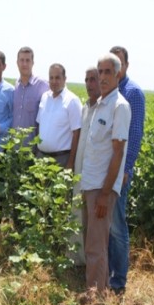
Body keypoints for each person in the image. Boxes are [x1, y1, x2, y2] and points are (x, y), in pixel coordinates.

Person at [80, 53, 131, 296]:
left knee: (96, 247)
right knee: (91, 243)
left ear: (118, 75)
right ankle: (95, 292)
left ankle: (95, 304)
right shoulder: (101, 104)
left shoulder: (119, 106)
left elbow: (118, 153)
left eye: (107, 72)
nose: (102, 77)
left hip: (101, 190)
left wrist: (104, 193)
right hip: (89, 185)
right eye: (99, 72)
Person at [107, 46, 146, 296]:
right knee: (107, 224)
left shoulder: (133, 93)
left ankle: (119, 282)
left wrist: (126, 169)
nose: (116, 69)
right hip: (105, 168)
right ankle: (109, 273)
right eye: (112, 66)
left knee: (118, 225)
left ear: (126, 66)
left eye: (119, 64)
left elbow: (134, 135)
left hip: (120, 171)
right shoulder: (108, 92)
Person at [70, 66, 101, 266]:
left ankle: (92, 264)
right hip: (79, 171)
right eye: (87, 80)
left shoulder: (104, 109)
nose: (89, 84)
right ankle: (78, 259)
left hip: (94, 177)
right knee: (77, 215)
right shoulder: (85, 107)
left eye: (93, 79)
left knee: (93, 222)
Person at [35, 63, 82, 168]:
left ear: (65, 79)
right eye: (51, 78)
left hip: (61, 160)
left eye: (57, 78)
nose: (54, 81)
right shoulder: (44, 97)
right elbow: (39, 124)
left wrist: (70, 163)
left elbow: (77, 133)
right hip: (41, 158)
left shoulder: (72, 101)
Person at [12, 47, 49, 145]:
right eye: (22, 60)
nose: (24, 64)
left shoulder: (43, 85)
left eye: (28, 60)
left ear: (33, 63)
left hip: (32, 148)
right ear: (17, 63)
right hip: (14, 148)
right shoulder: (16, 86)